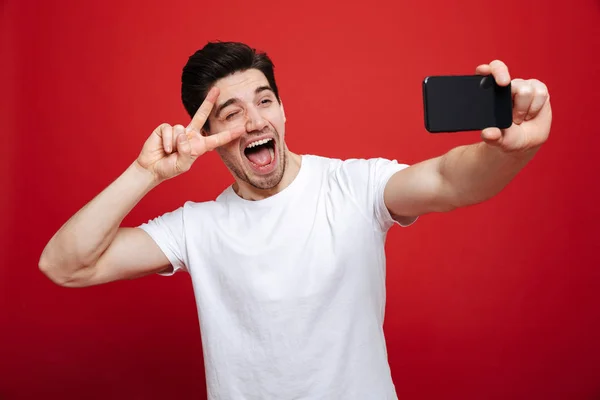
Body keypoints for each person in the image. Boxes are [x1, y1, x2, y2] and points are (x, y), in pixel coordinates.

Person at [38, 41, 552, 399]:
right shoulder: (196, 227)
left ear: (283, 110)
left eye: (264, 101)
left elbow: (448, 181)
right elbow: (66, 265)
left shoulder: (354, 186)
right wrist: (145, 173)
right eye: (231, 113)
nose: (255, 120)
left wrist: (510, 153)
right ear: (207, 133)